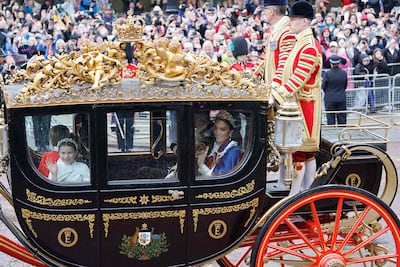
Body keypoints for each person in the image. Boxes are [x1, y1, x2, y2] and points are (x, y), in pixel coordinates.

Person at [270, 0, 323, 195]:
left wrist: (276, 95)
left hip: (304, 105)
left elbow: (297, 80)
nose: (289, 23)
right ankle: (306, 190)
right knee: (305, 153)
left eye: (293, 19)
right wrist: (274, 87)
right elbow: (283, 70)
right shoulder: (298, 42)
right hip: (296, 104)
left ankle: (297, 193)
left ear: (304, 22)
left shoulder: (308, 46)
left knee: (301, 151)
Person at [197, 110, 241, 176]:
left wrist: (201, 165)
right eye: (215, 128)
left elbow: (220, 179)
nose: (217, 133)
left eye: (222, 129)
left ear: (231, 131)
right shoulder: (215, 146)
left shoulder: (233, 151)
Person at [322, 55, 348, 125]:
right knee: (342, 119)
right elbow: (345, 85)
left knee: (330, 119)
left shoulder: (328, 74)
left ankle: (331, 134)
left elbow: (323, 86)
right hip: (341, 98)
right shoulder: (344, 73)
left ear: (331, 63)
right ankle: (342, 134)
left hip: (330, 98)